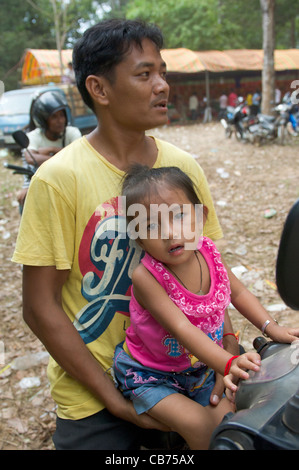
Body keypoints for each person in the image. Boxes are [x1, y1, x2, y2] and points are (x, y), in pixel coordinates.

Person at [12, 19, 238, 450]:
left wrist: (224, 349)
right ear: (99, 89)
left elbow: (206, 265)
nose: (162, 86)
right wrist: (112, 399)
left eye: (163, 72)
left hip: (191, 373)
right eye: (144, 73)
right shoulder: (57, 179)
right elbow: (40, 308)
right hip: (96, 394)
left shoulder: (182, 168)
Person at [113, 164, 299, 450]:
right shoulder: (146, 277)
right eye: (151, 225)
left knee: (229, 423)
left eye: (179, 216)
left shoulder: (209, 253)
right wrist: (227, 363)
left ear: (201, 217)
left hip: (201, 370)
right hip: (152, 375)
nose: (169, 233)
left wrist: (272, 328)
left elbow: (238, 293)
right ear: (137, 236)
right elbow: (181, 327)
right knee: (200, 428)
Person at [17, 90, 81, 211]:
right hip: (43, 183)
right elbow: (30, 158)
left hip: (70, 181)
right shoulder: (34, 136)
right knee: (23, 200)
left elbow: (78, 156)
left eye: (62, 115)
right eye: (54, 117)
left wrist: (51, 149)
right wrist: (64, 154)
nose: (60, 120)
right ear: (43, 120)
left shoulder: (72, 132)